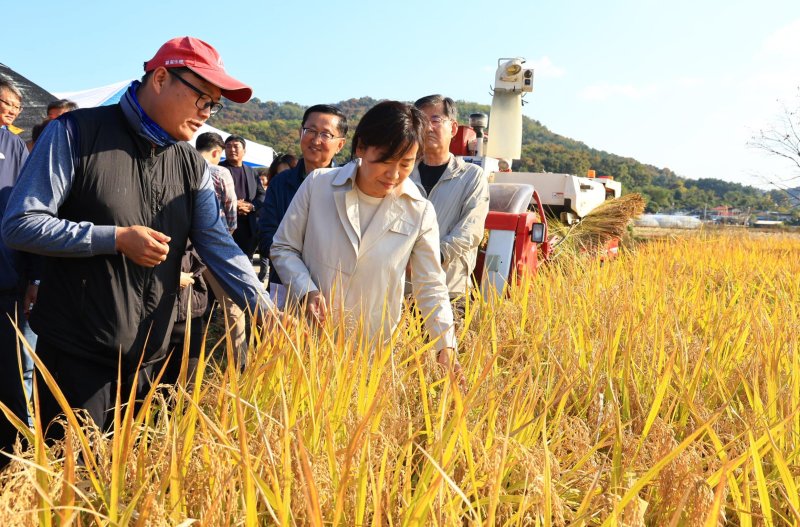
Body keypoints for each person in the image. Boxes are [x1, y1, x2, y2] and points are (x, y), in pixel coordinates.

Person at [1, 36, 279, 439]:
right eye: (202, 99)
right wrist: (113, 238)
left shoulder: (188, 162)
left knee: (131, 486)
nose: (206, 115)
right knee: (71, 483)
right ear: (162, 78)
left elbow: (216, 242)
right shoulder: (76, 132)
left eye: (213, 105)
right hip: (78, 350)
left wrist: (264, 308)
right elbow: (21, 222)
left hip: (151, 354)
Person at [270, 101, 462, 379]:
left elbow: (431, 286)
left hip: (373, 352)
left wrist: (446, 347)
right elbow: (283, 247)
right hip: (305, 343)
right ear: (360, 147)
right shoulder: (318, 185)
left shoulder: (419, 210)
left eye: (406, 164)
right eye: (384, 160)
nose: (394, 175)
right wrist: (306, 290)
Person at [259, 105, 347, 308]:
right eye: (311, 131)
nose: (316, 140)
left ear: (340, 144)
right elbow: (266, 238)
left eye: (326, 134)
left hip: (332, 292)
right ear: (301, 133)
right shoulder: (281, 183)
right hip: (285, 287)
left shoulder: (348, 185)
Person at [410, 95, 489, 314]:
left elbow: (470, 232)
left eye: (435, 120)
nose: (427, 128)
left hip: (449, 291)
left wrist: (428, 258)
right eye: (421, 122)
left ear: (453, 128)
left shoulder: (471, 176)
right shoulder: (403, 174)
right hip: (402, 292)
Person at [194, 131, 247, 361]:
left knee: (193, 307)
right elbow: (230, 207)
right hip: (216, 248)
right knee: (233, 307)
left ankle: (192, 357)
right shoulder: (219, 171)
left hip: (186, 251)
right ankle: (240, 363)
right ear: (217, 152)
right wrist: (228, 233)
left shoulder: (181, 166)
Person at [0, 124, 32, 468]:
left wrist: (34, 276)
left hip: (6, 283)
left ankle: (14, 460)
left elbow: (28, 212)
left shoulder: (13, 146)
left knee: (10, 374)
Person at [220, 135, 263, 259]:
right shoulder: (219, 169)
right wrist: (233, 204)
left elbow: (262, 194)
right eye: (228, 147)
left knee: (245, 260)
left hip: (248, 226)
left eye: (235, 146)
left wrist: (251, 206)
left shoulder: (251, 171)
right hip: (226, 226)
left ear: (244, 151)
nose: (232, 150)